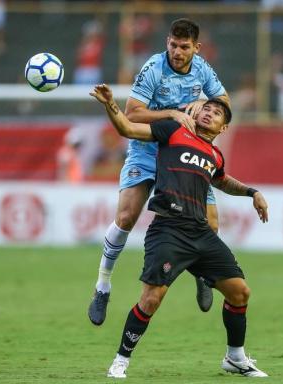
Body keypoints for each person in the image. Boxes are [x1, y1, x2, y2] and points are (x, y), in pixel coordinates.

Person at [90, 83, 269, 379]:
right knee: (151, 299)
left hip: (200, 233)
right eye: (206, 109)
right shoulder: (173, 131)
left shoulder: (215, 155)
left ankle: (235, 358)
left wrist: (252, 192)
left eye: (216, 113)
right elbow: (127, 128)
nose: (209, 113)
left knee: (240, 293)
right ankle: (121, 360)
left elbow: (222, 181)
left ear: (224, 128)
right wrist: (110, 104)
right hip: (169, 230)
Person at [88, 18, 231, 326]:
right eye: (173, 45)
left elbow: (224, 101)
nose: (177, 52)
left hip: (182, 152)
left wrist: (201, 102)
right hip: (148, 147)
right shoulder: (154, 69)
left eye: (184, 47)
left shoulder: (202, 69)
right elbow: (132, 114)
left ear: (196, 48)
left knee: (211, 224)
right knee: (126, 217)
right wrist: (172, 113)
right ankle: (102, 285)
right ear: (167, 41)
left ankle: (204, 277)